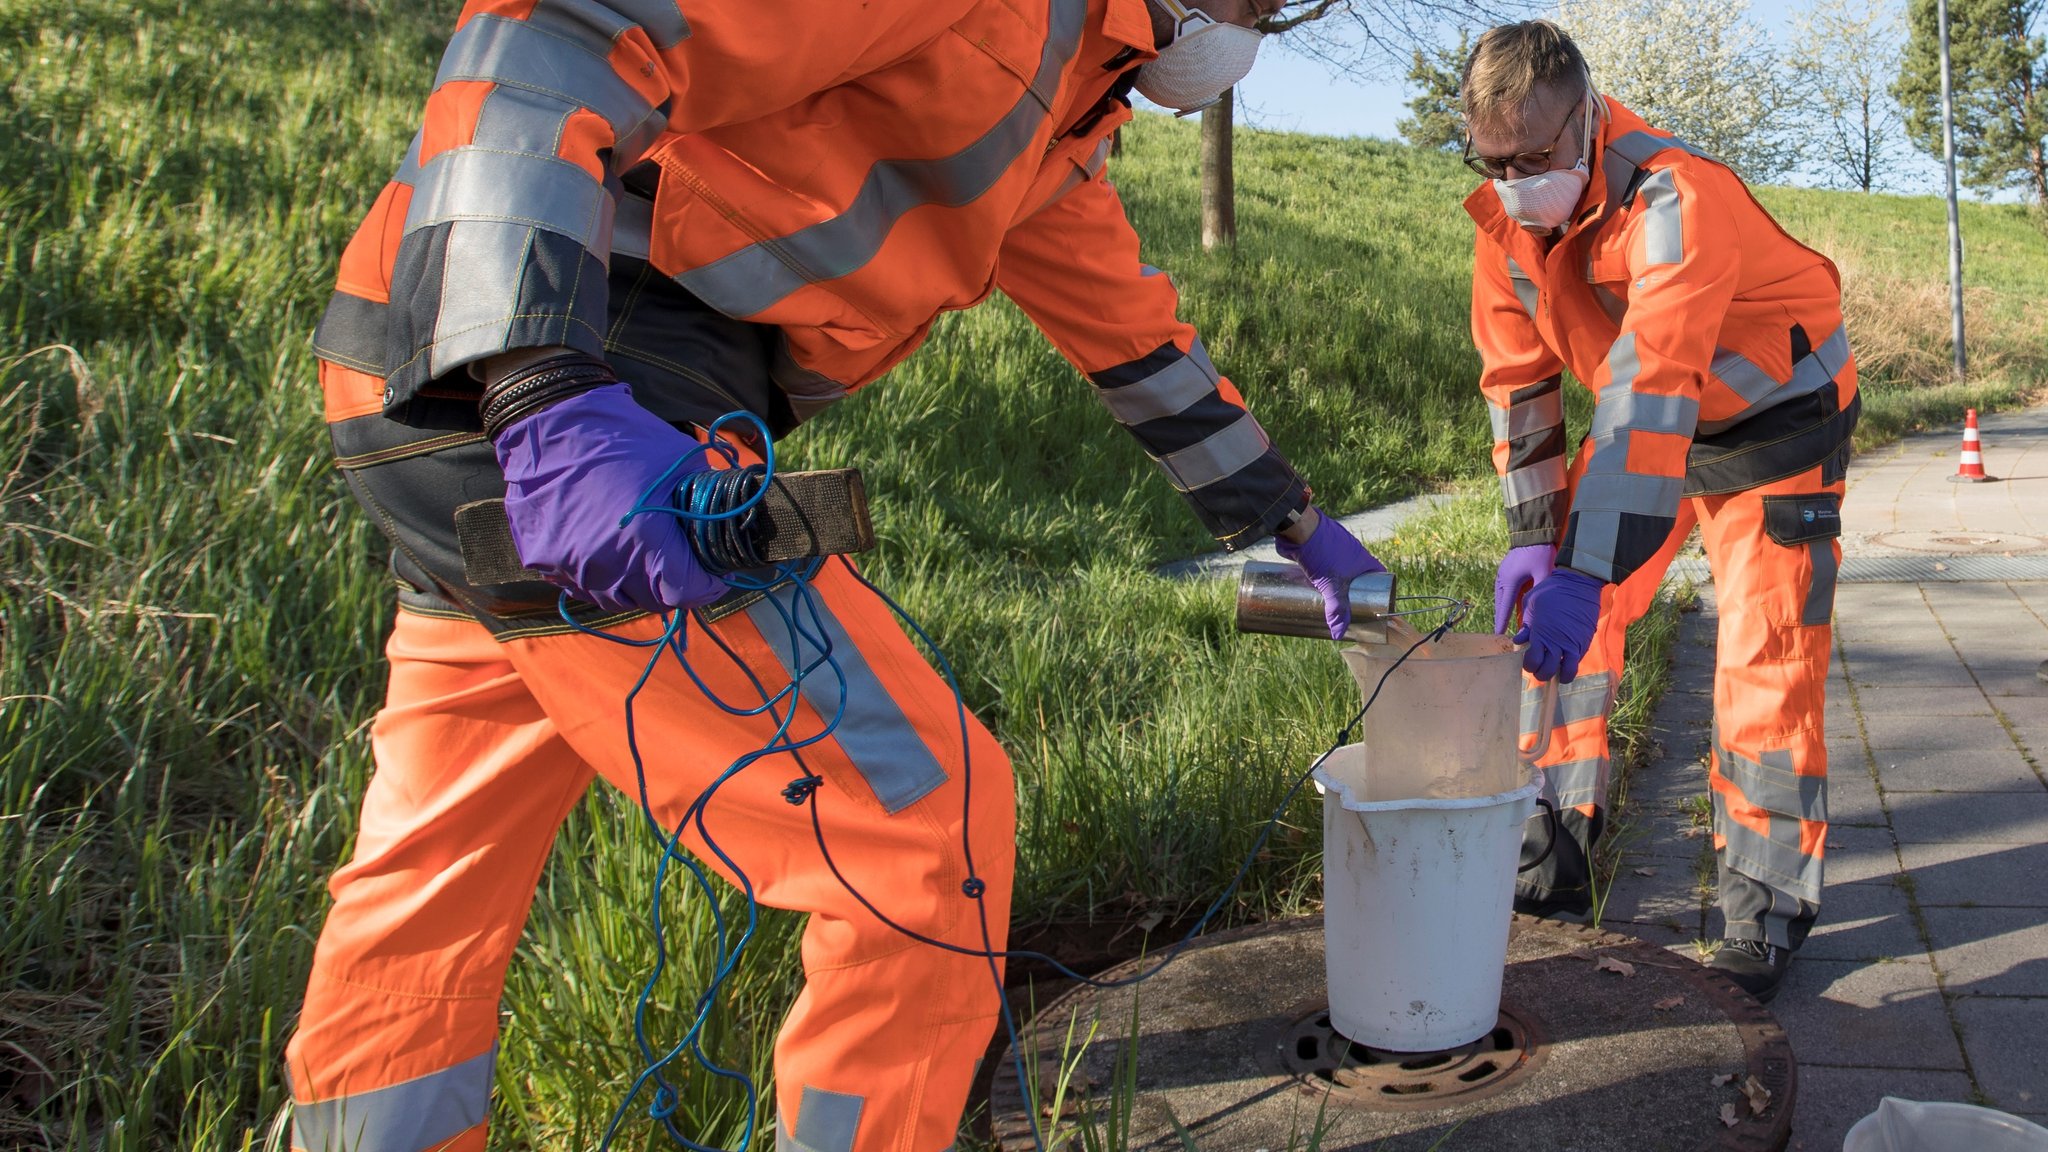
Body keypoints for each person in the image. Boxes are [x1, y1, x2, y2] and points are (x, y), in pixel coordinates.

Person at [285, 1, 1384, 1149]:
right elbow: (562, 24)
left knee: (439, 864)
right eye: (1255, 4)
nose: (1251, 28)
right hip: (565, 386)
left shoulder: (1052, 120)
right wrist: (536, 383)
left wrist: (1296, 521)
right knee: (923, 831)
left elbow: (1133, 340)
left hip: (436, 385)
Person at [1460, 22, 1858, 1004]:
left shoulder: (1677, 199)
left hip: (1775, 427)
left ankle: (1761, 912)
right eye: (1493, 161)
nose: (1516, 182)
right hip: (1650, 419)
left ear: (1588, 119)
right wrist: (1530, 540)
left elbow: (1648, 394)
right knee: (1557, 644)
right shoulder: (1504, 228)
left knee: (1762, 658)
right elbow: (1517, 389)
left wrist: (1586, 565)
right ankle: (1543, 872)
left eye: (1536, 157)